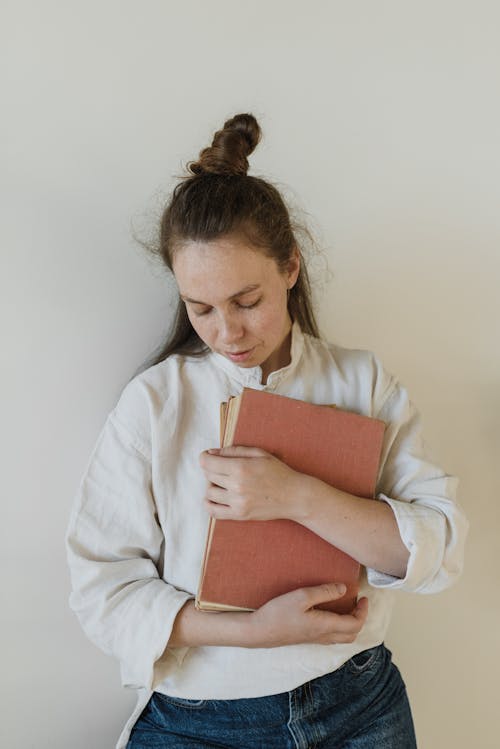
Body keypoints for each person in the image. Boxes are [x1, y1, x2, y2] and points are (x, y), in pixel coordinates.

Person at [66, 113, 468, 749]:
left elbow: (439, 549)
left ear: (290, 268)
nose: (227, 333)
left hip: (357, 700)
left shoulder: (361, 383)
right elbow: (102, 593)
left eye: (246, 301)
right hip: (198, 716)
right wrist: (253, 631)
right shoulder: (155, 402)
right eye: (201, 308)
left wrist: (298, 496)